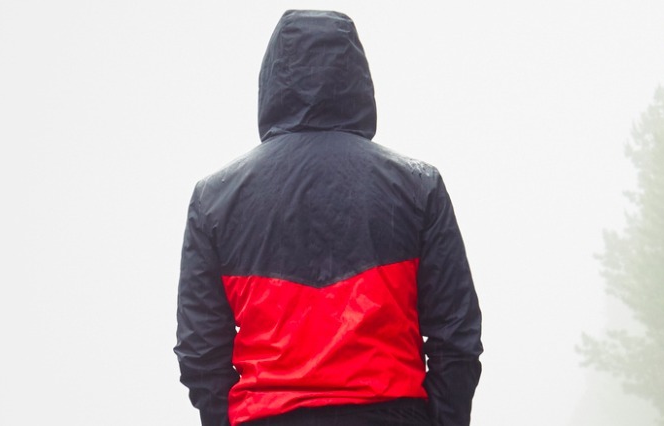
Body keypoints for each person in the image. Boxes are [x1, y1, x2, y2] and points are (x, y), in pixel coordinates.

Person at [174, 10, 483, 426]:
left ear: (271, 81)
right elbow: (456, 337)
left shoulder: (215, 198)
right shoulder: (418, 186)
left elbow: (200, 351)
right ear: (358, 80)